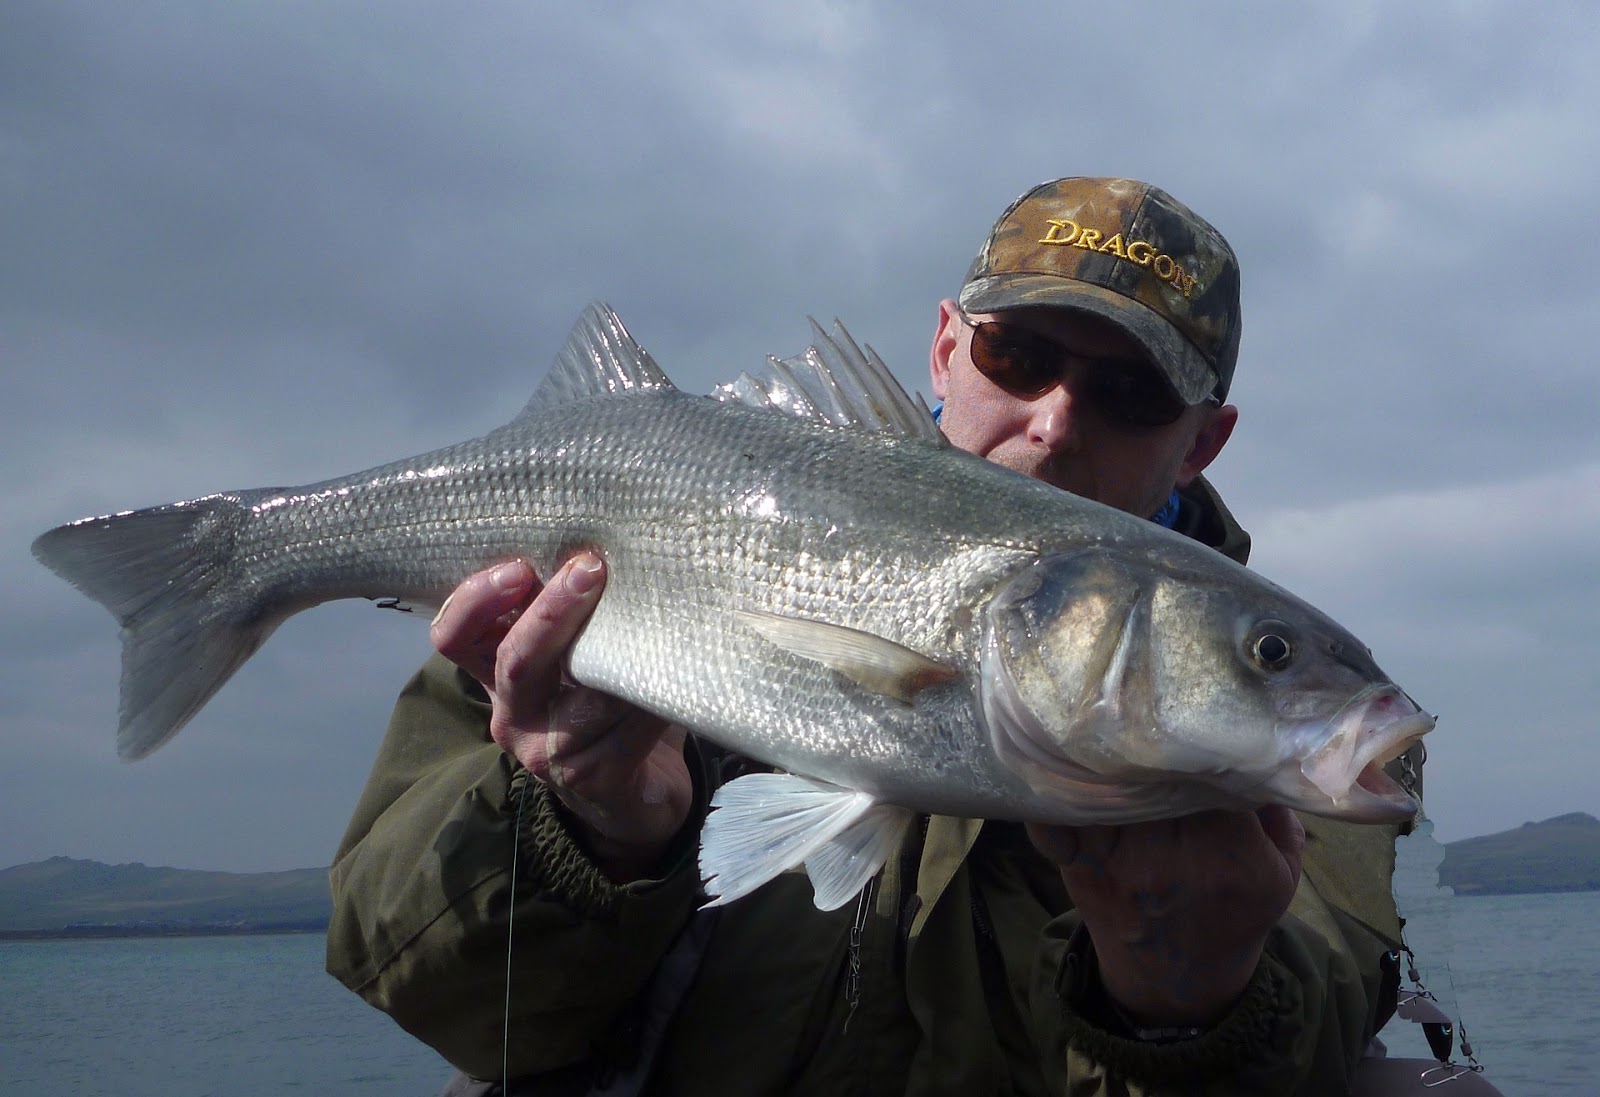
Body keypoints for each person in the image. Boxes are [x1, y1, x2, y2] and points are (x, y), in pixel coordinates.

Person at [327, 177, 1422, 1095]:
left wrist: (1193, 997)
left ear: (1201, 443)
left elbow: (1323, 1001)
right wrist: (586, 828)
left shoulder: (1290, 745)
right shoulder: (571, 617)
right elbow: (421, 983)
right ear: (946, 348)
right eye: (1017, 354)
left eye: (1132, 393)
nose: (1054, 422)